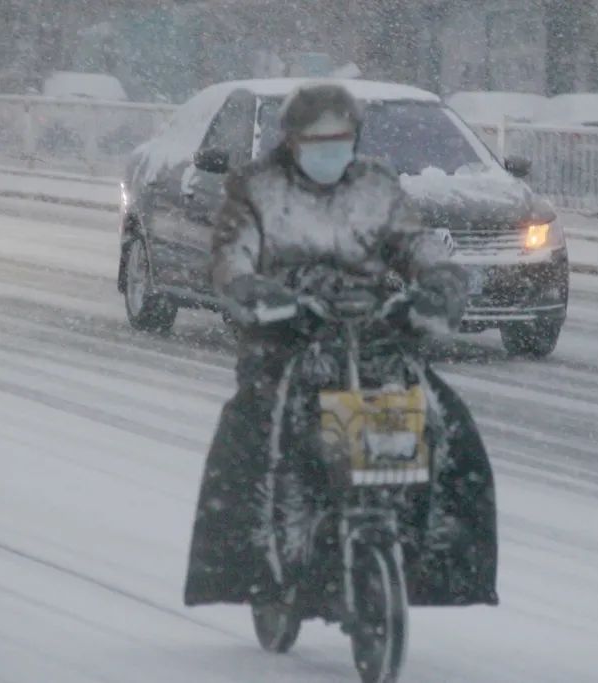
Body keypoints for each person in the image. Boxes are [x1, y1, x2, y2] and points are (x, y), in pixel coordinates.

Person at [184, 82, 497, 608]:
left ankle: (437, 563)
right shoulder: (256, 189)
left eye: (341, 138)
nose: (330, 149)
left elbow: (417, 246)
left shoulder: (376, 187)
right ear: (292, 141)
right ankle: (252, 569)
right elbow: (231, 259)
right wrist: (257, 293)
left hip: (371, 333)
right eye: (317, 140)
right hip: (286, 337)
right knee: (254, 436)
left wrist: (440, 285)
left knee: (447, 427)